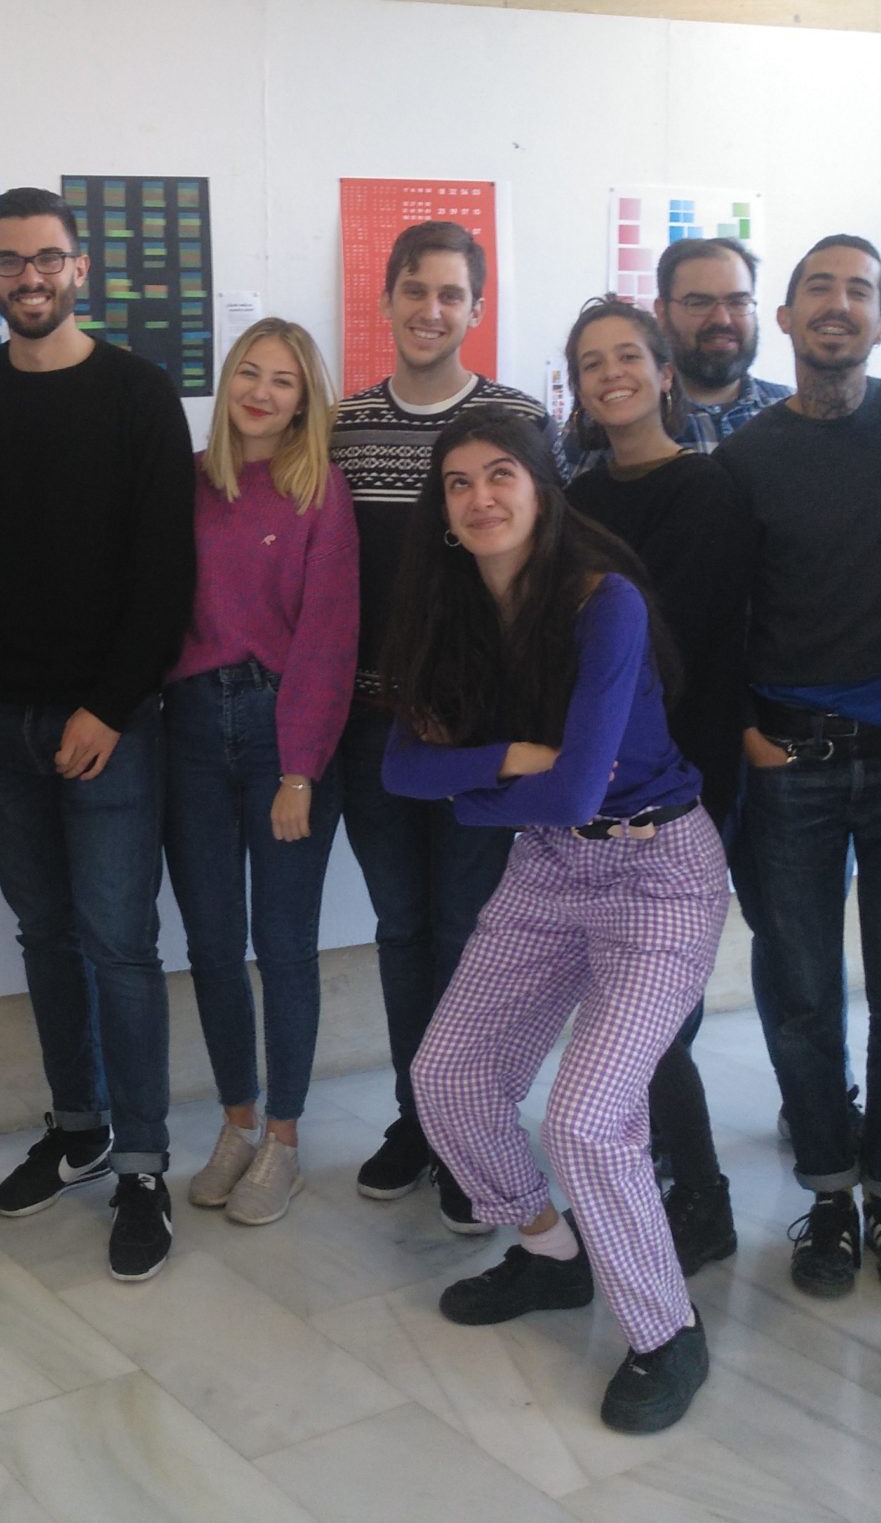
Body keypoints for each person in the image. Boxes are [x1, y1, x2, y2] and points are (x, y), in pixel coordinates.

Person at [387, 410, 728, 1436]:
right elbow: (401, 766)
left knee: (586, 1118)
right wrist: (504, 760)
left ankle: (666, 1331)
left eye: (501, 474)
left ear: (542, 488)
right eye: (458, 483)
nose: (480, 497)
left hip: (658, 874)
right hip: (546, 869)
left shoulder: (602, 601)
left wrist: (473, 795)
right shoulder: (450, 608)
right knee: (446, 1077)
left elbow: (579, 787)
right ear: (442, 509)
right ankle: (550, 1251)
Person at [0, 188, 196, 1283]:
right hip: (0, 720)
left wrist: (110, 706)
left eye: (47, 258)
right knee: (44, 932)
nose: (30, 277)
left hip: (112, 723)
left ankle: (142, 1163)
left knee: (120, 943)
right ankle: (78, 1125)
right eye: (10, 261)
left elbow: (165, 571)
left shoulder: (139, 393)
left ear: (80, 268)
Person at [715, 234, 881, 1298]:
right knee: (805, 996)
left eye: (860, 289)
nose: (838, 303)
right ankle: (826, 1193)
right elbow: (712, 614)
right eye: (818, 286)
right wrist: (740, 731)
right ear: (784, 317)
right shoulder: (744, 460)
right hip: (790, 764)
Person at [331, 220, 555, 1230]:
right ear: (385, 298)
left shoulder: (515, 419)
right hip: (373, 731)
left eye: (451, 294)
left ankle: (476, 1128)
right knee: (402, 928)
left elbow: (539, 577)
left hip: (476, 738)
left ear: (475, 307)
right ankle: (417, 1120)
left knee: (472, 932)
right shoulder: (344, 426)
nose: (431, 310)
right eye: (414, 289)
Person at [561, 298, 753, 1275]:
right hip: (595, 781)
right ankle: (646, 1169)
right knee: (620, 995)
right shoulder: (580, 496)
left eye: (628, 356)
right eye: (591, 363)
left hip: (676, 781)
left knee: (649, 1002)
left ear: (665, 372)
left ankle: (700, 1194)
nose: (612, 374)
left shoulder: (706, 489)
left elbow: (683, 648)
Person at [164, 319, 358, 1228]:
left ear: (304, 398)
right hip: (193, 730)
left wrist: (301, 770)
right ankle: (237, 1120)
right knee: (210, 942)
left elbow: (329, 637)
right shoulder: (188, 485)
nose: (262, 392)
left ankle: (283, 1136)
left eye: (284, 380)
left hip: (285, 730)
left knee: (282, 945)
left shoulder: (320, 490)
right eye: (250, 371)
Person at [566, 236, 790, 478]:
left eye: (738, 302)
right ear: (662, 311)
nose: (722, 319)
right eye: (699, 303)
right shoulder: (610, 421)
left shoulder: (792, 412)